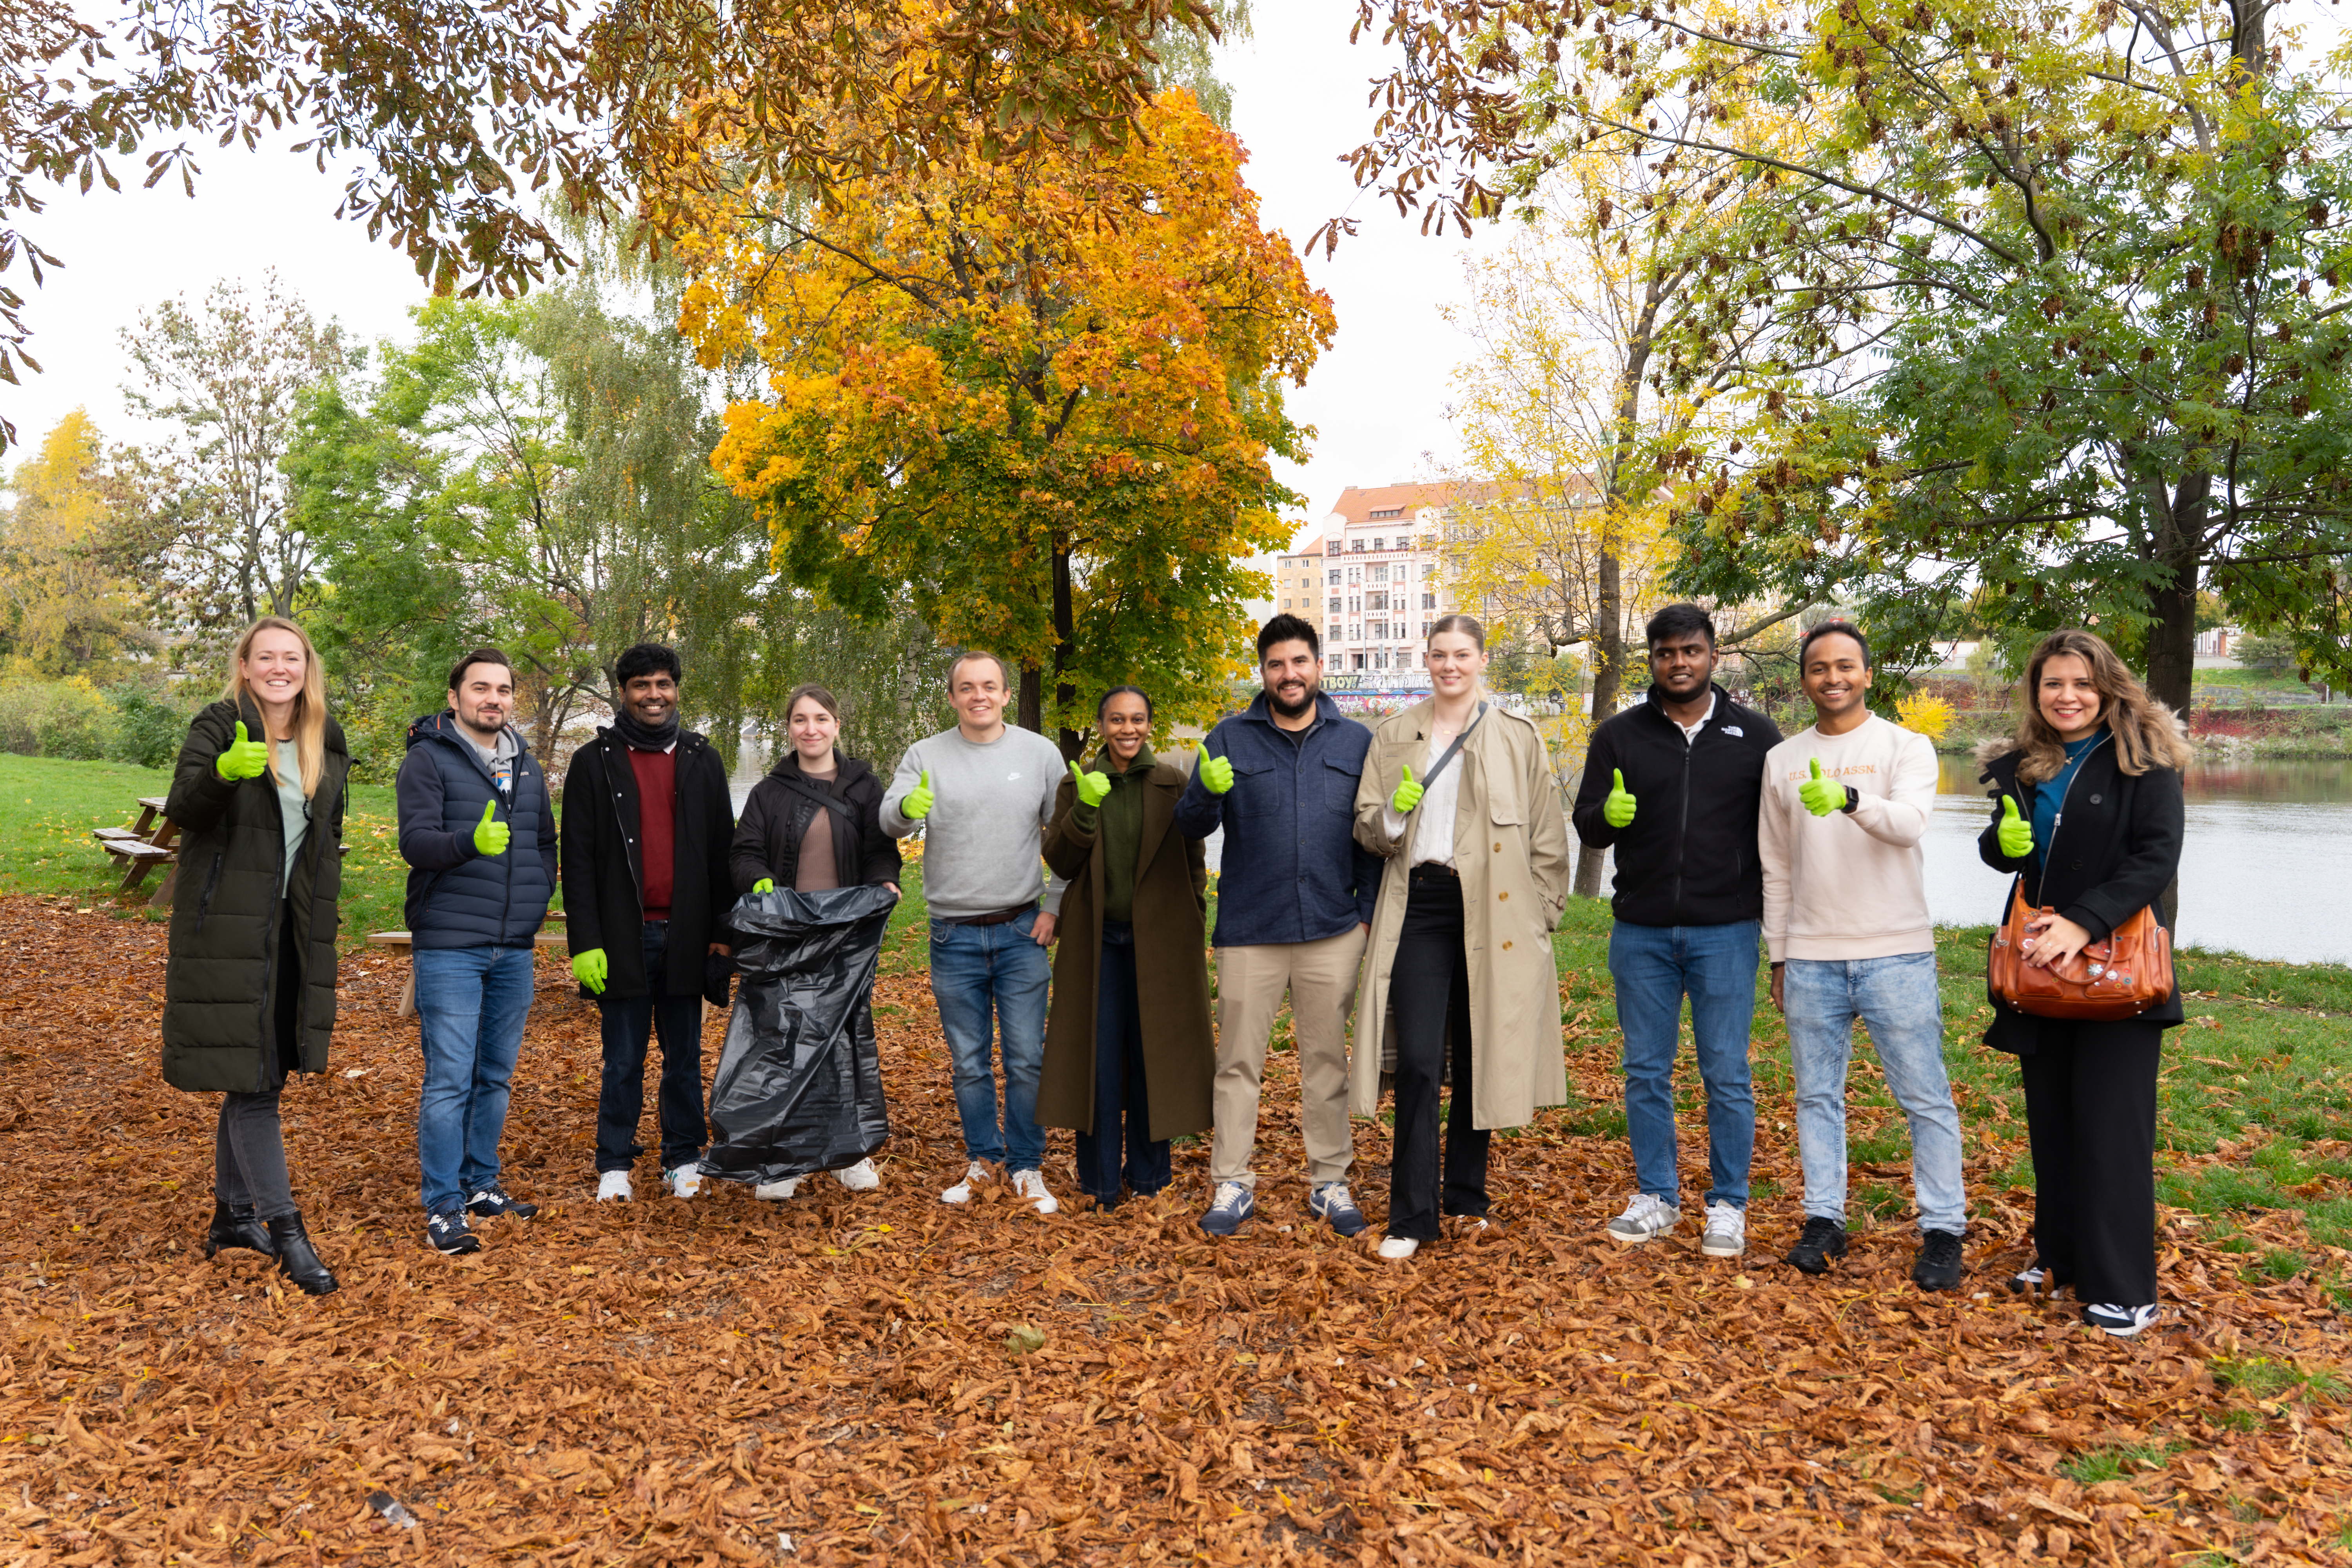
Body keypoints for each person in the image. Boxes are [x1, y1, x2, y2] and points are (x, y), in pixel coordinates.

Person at [1978, 628, 2189, 1338]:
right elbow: (2008, 852)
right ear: (2037, 693)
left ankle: (2125, 1286)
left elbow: (2156, 859)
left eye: (2081, 683)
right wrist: (1998, 845)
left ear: (2107, 687)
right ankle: (2060, 1258)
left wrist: (2085, 922)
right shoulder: (2028, 766)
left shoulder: (2145, 763)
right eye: (2052, 684)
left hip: (2115, 971)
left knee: (2111, 1132)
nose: (2067, 696)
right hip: (2041, 971)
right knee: (2055, 1126)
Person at [1353, 617, 1572, 1260]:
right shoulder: (1393, 735)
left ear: (1482, 661)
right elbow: (1368, 828)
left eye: (1463, 655)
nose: (1451, 665)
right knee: (1420, 1061)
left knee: (1482, 1057)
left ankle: (1466, 1195)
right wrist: (1396, 808)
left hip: (1497, 911)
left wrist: (1542, 917)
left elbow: (1546, 839)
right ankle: (1411, 1216)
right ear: (1426, 660)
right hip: (1420, 905)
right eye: (1440, 654)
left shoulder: (1517, 737)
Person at [1759, 621, 1967, 1290]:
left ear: (1868, 674)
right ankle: (1824, 1219)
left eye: (1846, 665)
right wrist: (1779, 955)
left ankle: (1942, 1229)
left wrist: (1849, 799)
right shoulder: (1782, 760)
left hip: (1895, 952)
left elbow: (1908, 827)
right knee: (1817, 1097)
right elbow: (1776, 866)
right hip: (1813, 956)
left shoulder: (1907, 746)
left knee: (1924, 1097)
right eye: (1819, 668)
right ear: (1804, 681)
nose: (1833, 678)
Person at [1571, 603, 1779, 1258]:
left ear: (1714, 655)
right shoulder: (1618, 736)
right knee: (1646, 1071)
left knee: (1726, 1072)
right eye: (1666, 653)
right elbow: (1588, 827)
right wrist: (1609, 813)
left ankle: (1727, 1204)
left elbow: (1779, 837)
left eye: (1691, 650)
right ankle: (1657, 1195)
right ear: (1652, 660)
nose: (1679, 662)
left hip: (1727, 929)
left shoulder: (1757, 735)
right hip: (1643, 931)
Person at [1174, 613, 1383, 1239]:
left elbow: (1371, 839)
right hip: (1250, 929)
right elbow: (1190, 827)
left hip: (1332, 927)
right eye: (1275, 664)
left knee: (1326, 1062)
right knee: (1238, 1064)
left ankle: (1330, 1183)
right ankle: (1233, 1183)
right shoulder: (1229, 738)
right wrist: (1207, 793)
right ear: (1262, 672)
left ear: (1319, 666)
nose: (1288, 675)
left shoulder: (1357, 743)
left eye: (1299, 662)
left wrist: (1368, 919)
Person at [162, 617, 348, 1296]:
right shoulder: (219, 725)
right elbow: (186, 809)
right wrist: (220, 774)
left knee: (258, 1071)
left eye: (291, 657)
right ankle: (286, 1229)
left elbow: (325, 842)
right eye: (265, 657)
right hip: (228, 933)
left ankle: (232, 1216)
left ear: (307, 668)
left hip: (291, 935)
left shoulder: (325, 738)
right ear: (244, 666)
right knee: (255, 1085)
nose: (279, 668)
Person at [879, 651, 1068, 1214]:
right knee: (968, 1061)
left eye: (989, 686)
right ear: (953, 696)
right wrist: (907, 809)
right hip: (952, 936)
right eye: (967, 687)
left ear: (1006, 695)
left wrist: (1054, 904)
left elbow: (1069, 834)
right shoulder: (926, 754)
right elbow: (890, 817)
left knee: (1027, 1057)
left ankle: (1027, 1166)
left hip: (1020, 930)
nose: (978, 695)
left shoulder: (1039, 753)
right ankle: (983, 1160)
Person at [562, 642, 737, 1205]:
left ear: (677, 689)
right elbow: (580, 859)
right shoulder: (594, 763)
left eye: (663, 684)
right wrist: (585, 942)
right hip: (622, 938)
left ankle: (683, 1156)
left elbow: (721, 855)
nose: (653, 695)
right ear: (624, 692)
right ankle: (614, 1162)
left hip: (687, 935)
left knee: (684, 1059)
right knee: (623, 1059)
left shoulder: (702, 759)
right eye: (641, 686)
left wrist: (721, 935)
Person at [397, 647, 558, 1255]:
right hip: (451, 945)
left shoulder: (528, 765)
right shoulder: (428, 760)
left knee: (495, 1076)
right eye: (481, 688)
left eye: (504, 690)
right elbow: (416, 843)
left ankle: (479, 1184)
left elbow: (545, 840)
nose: (494, 699)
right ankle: (442, 1204)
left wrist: (540, 890)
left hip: (514, 946)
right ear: (455, 697)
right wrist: (470, 841)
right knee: (449, 1080)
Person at [1037, 686, 1215, 1209]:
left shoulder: (1172, 783)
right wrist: (1086, 810)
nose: (1128, 729)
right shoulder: (1078, 784)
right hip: (1098, 942)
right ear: (1102, 725)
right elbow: (1061, 862)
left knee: (1152, 1057)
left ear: (1149, 725)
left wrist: (1194, 921)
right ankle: (1100, 1183)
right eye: (1117, 720)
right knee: (1097, 1059)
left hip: (1159, 941)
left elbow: (1193, 863)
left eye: (1137, 719)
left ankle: (1150, 1176)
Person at [729, 682, 904, 1197]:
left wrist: (883, 881)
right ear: (790, 729)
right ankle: (785, 1159)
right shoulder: (768, 792)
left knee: (845, 1043)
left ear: (836, 726)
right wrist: (758, 878)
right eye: (801, 720)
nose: (811, 729)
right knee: (785, 1044)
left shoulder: (865, 788)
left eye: (821, 719)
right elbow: (744, 851)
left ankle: (849, 1155)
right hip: (789, 937)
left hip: (846, 938)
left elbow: (880, 849)